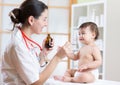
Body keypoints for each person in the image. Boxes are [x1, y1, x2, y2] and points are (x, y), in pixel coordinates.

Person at [1, 0, 67, 85]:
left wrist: (43, 53)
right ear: (31, 20)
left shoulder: (24, 40)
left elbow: (30, 70)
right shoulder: (18, 45)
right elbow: (35, 83)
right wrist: (58, 57)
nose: (46, 24)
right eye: (44, 19)